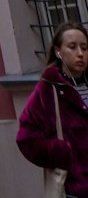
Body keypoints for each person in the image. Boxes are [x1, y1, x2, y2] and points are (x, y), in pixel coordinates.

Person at [18, 19, 88, 196]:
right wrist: (65, 152)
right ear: (58, 52)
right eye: (72, 47)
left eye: (84, 48)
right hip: (76, 189)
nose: (80, 53)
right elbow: (26, 140)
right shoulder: (48, 89)